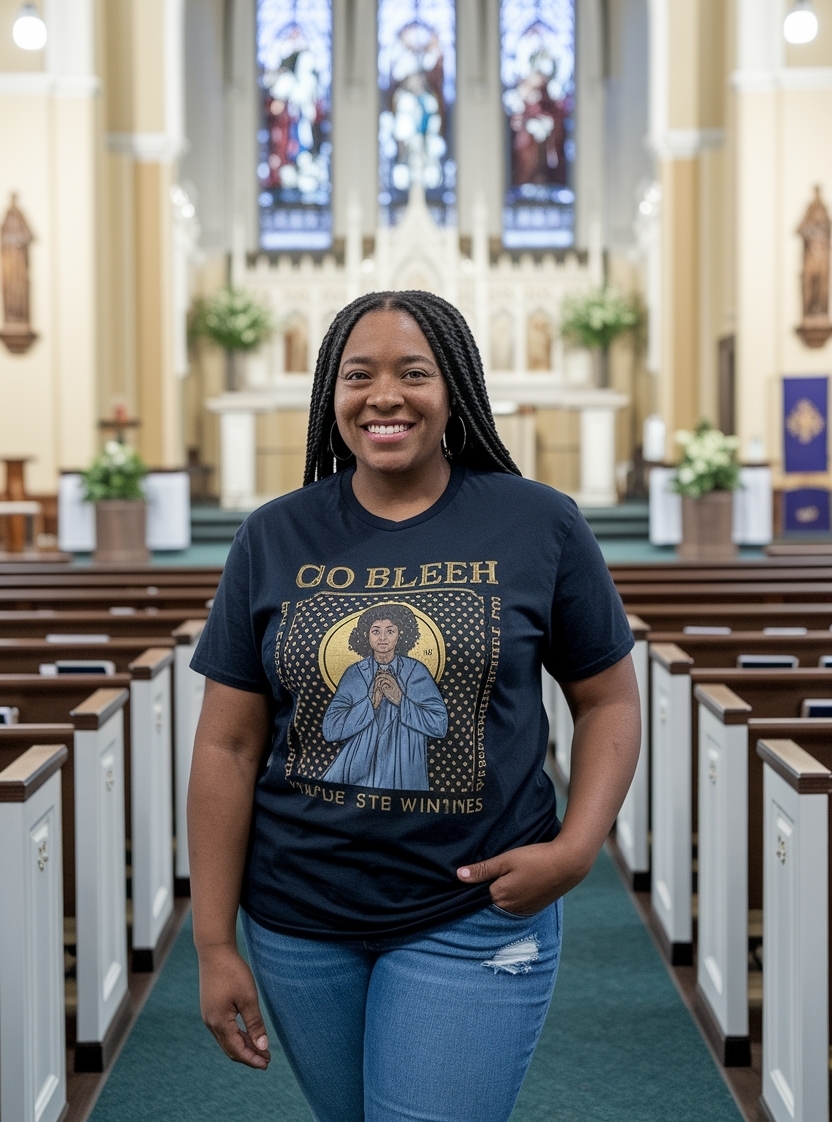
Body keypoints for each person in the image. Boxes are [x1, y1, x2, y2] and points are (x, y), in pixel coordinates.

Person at [188, 289, 641, 1122]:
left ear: (455, 389)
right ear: (332, 393)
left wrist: (578, 848)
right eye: (359, 374)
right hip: (299, 916)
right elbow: (228, 748)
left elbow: (607, 698)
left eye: (413, 373)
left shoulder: (537, 522)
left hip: (472, 905)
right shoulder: (274, 534)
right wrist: (214, 941)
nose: (384, 395)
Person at [321, 604, 448, 790]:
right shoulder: (355, 673)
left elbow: (439, 725)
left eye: (390, 631)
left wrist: (400, 699)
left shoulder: (416, 671)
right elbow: (330, 730)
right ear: (366, 635)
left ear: (400, 635)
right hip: (356, 770)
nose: (382, 638)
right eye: (375, 631)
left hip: (403, 769)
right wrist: (370, 704)